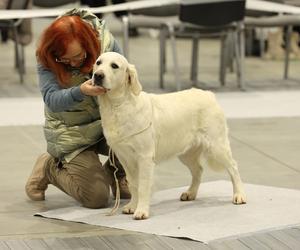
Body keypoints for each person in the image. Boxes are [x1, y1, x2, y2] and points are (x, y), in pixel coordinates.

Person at [25, 8, 130, 209]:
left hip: (105, 122)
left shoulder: (107, 43)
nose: (72, 63)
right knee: (97, 198)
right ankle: (49, 167)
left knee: (138, 138)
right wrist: (80, 91)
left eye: (78, 57)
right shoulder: (47, 55)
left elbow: (123, 81)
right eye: (64, 59)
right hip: (70, 131)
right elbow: (51, 99)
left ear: (89, 44)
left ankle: (118, 175)